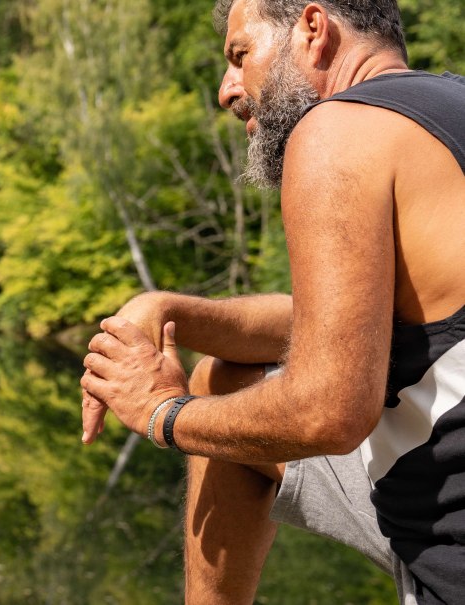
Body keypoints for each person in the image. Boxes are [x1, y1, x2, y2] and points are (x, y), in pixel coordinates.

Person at [78, 0, 465, 602]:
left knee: (211, 404)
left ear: (312, 30)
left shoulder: (338, 130)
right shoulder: (443, 115)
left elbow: (328, 410)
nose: (227, 90)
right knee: (224, 379)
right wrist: (169, 309)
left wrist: (162, 414)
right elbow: (349, 320)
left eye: (240, 55)